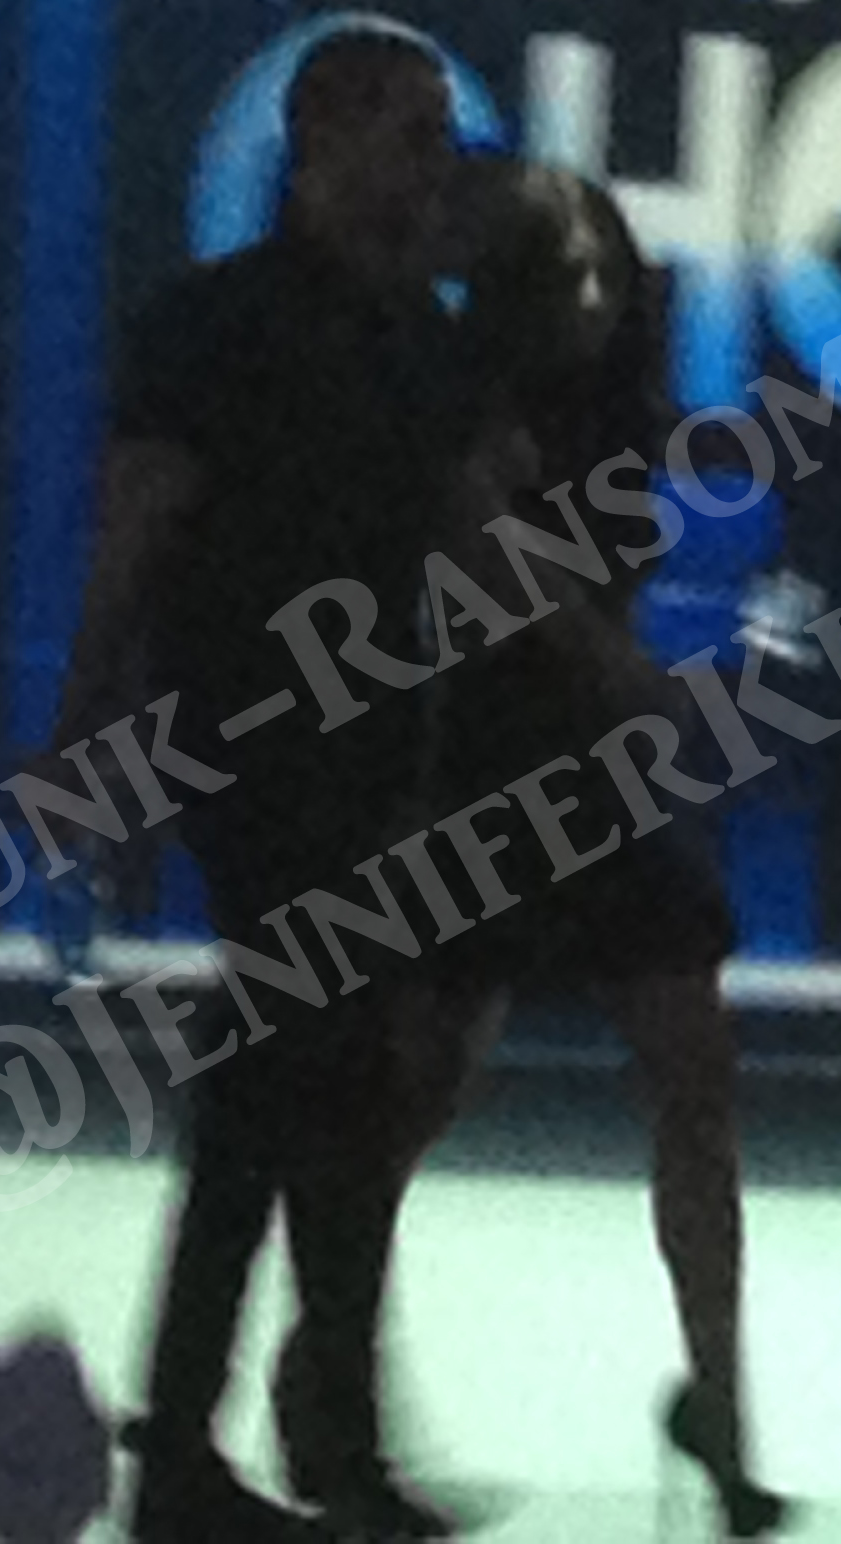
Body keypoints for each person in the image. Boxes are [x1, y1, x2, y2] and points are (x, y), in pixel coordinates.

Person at [54, 26, 477, 1543]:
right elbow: (139, 529)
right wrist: (90, 730)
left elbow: (454, 555)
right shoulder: (221, 325)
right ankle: (262, 1443)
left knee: (301, 1095)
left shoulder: (410, 332)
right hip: (260, 749)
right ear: (326, 138)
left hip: (365, 758)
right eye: (415, 132)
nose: (437, 163)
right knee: (311, 1091)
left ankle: (232, 1441)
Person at [341, 159, 787, 1538]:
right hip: (478, 767)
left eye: (606, 269)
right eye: (563, 272)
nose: (591, 295)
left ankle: (722, 1405)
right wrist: (630, 681)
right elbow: (499, 577)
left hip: (598, 775)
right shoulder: (459, 406)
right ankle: (339, 1385)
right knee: (410, 1100)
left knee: (693, 1074)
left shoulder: (624, 418)